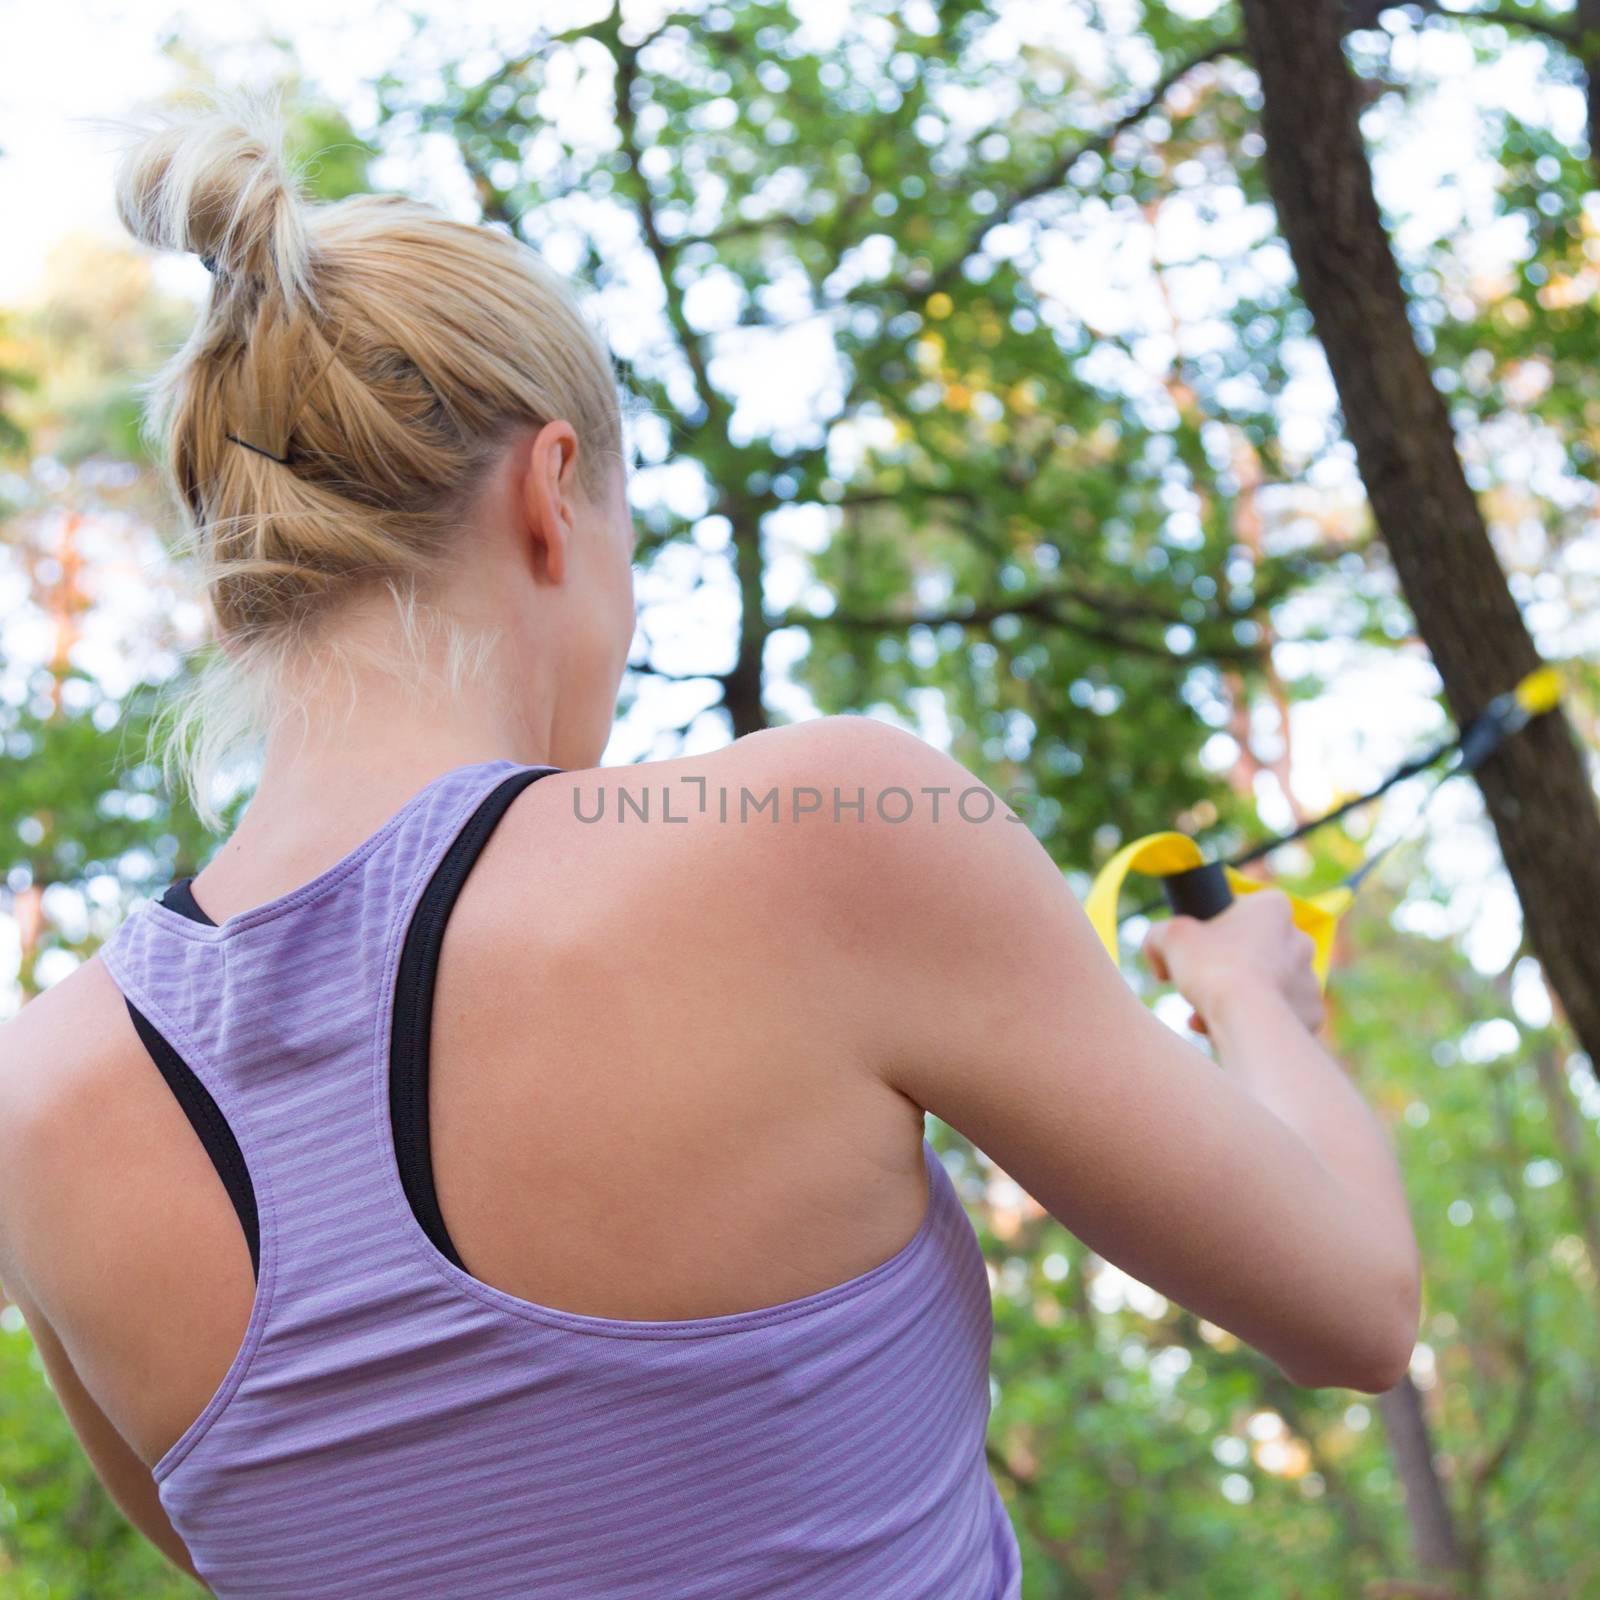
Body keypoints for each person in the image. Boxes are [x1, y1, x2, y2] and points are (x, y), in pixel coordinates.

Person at [0, 93, 1419, 1600]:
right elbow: (1356, 1307)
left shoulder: (36, 1108)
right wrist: (1257, 999)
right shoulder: (817, 835)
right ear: (553, 499)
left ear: (239, 591)